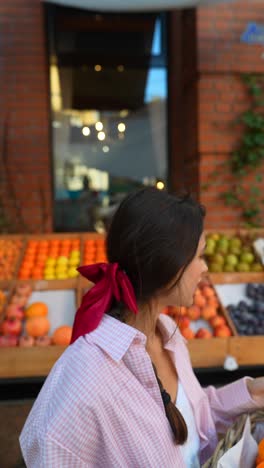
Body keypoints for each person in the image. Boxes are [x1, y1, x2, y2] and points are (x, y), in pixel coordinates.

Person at [20, 188, 264, 467]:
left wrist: (256, 392)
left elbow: (193, 418)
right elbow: (49, 449)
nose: (205, 268)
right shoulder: (87, 374)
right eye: (199, 256)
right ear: (167, 265)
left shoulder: (168, 332)